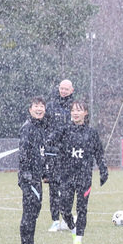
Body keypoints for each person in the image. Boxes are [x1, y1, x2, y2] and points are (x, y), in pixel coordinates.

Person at [59, 100, 108, 244]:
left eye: (79, 110)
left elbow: (99, 154)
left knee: (82, 208)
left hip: (84, 176)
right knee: (64, 208)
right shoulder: (64, 130)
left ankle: (79, 238)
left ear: (85, 113)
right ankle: (72, 228)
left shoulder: (91, 133)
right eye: (73, 110)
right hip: (67, 176)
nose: (75, 113)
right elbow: (51, 145)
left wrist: (103, 170)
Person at [18, 96, 49, 244]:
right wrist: (26, 173)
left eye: (41, 106)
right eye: (36, 106)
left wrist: (44, 173)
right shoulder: (27, 127)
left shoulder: (40, 127)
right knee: (29, 212)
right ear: (30, 110)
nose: (39, 109)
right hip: (28, 178)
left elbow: (40, 153)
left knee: (35, 211)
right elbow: (23, 152)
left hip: (37, 176)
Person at [44, 79, 74, 232]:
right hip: (53, 153)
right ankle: (55, 220)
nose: (63, 91)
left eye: (66, 89)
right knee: (54, 187)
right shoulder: (51, 106)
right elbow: (44, 127)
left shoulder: (75, 107)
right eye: (61, 88)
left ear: (72, 90)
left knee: (68, 187)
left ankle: (67, 218)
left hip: (69, 153)